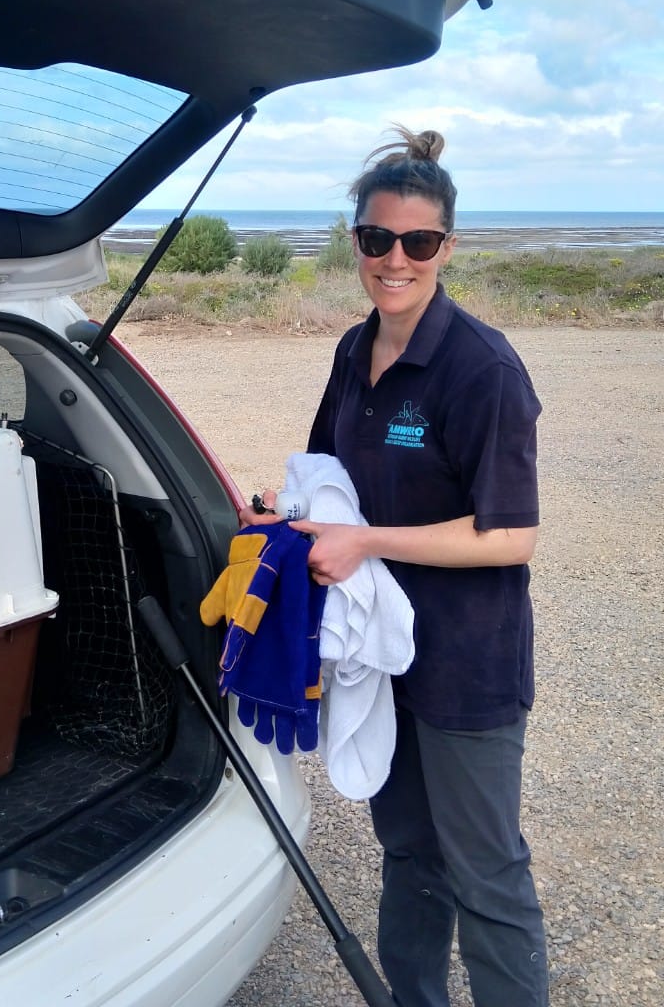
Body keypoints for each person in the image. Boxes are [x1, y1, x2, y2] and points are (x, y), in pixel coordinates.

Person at [244, 126, 549, 1006]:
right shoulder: (353, 349)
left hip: (465, 662)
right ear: (357, 243)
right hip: (376, 655)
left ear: (447, 248)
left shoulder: (482, 369)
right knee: (408, 852)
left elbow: (510, 536)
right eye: (378, 239)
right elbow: (330, 482)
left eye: (418, 243)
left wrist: (368, 543)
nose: (396, 260)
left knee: (485, 873)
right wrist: (287, 524)